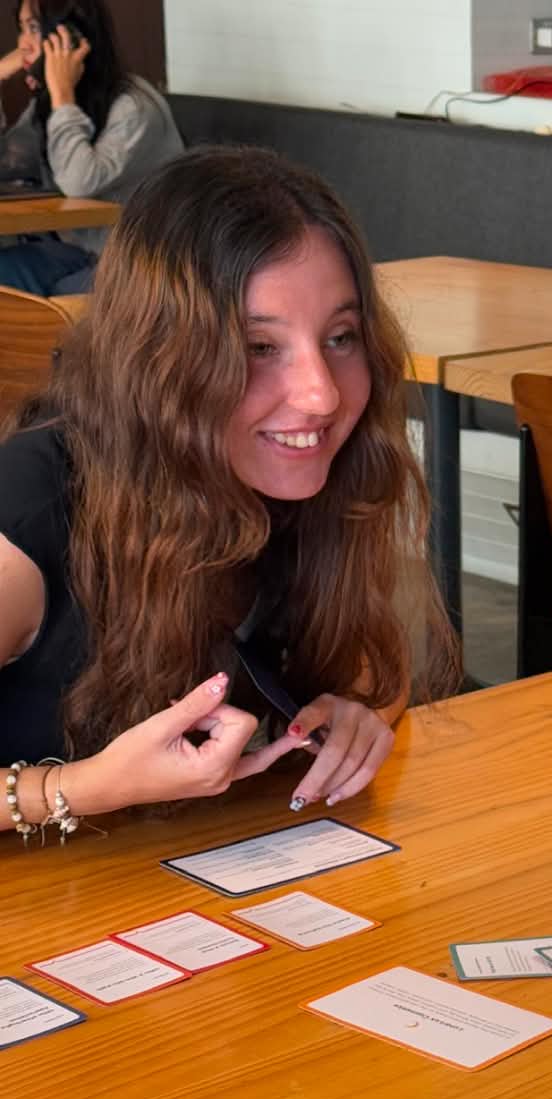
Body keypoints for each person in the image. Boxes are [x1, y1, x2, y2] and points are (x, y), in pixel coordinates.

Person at [0, 145, 456, 841]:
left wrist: (360, 713)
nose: (321, 394)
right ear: (158, 363)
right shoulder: (30, 516)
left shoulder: (302, 479)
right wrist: (80, 788)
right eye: (257, 348)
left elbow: (368, 666)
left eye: (340, 337)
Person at [0, 0, 182, 294]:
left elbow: (79, 181)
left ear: (70, 37)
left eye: (33, 28)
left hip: (131, 263)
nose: (22, 44)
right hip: (72, 252)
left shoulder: (133, 107)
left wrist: (61, 94)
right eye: (21, 29)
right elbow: (5, 163)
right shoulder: (50, 107)